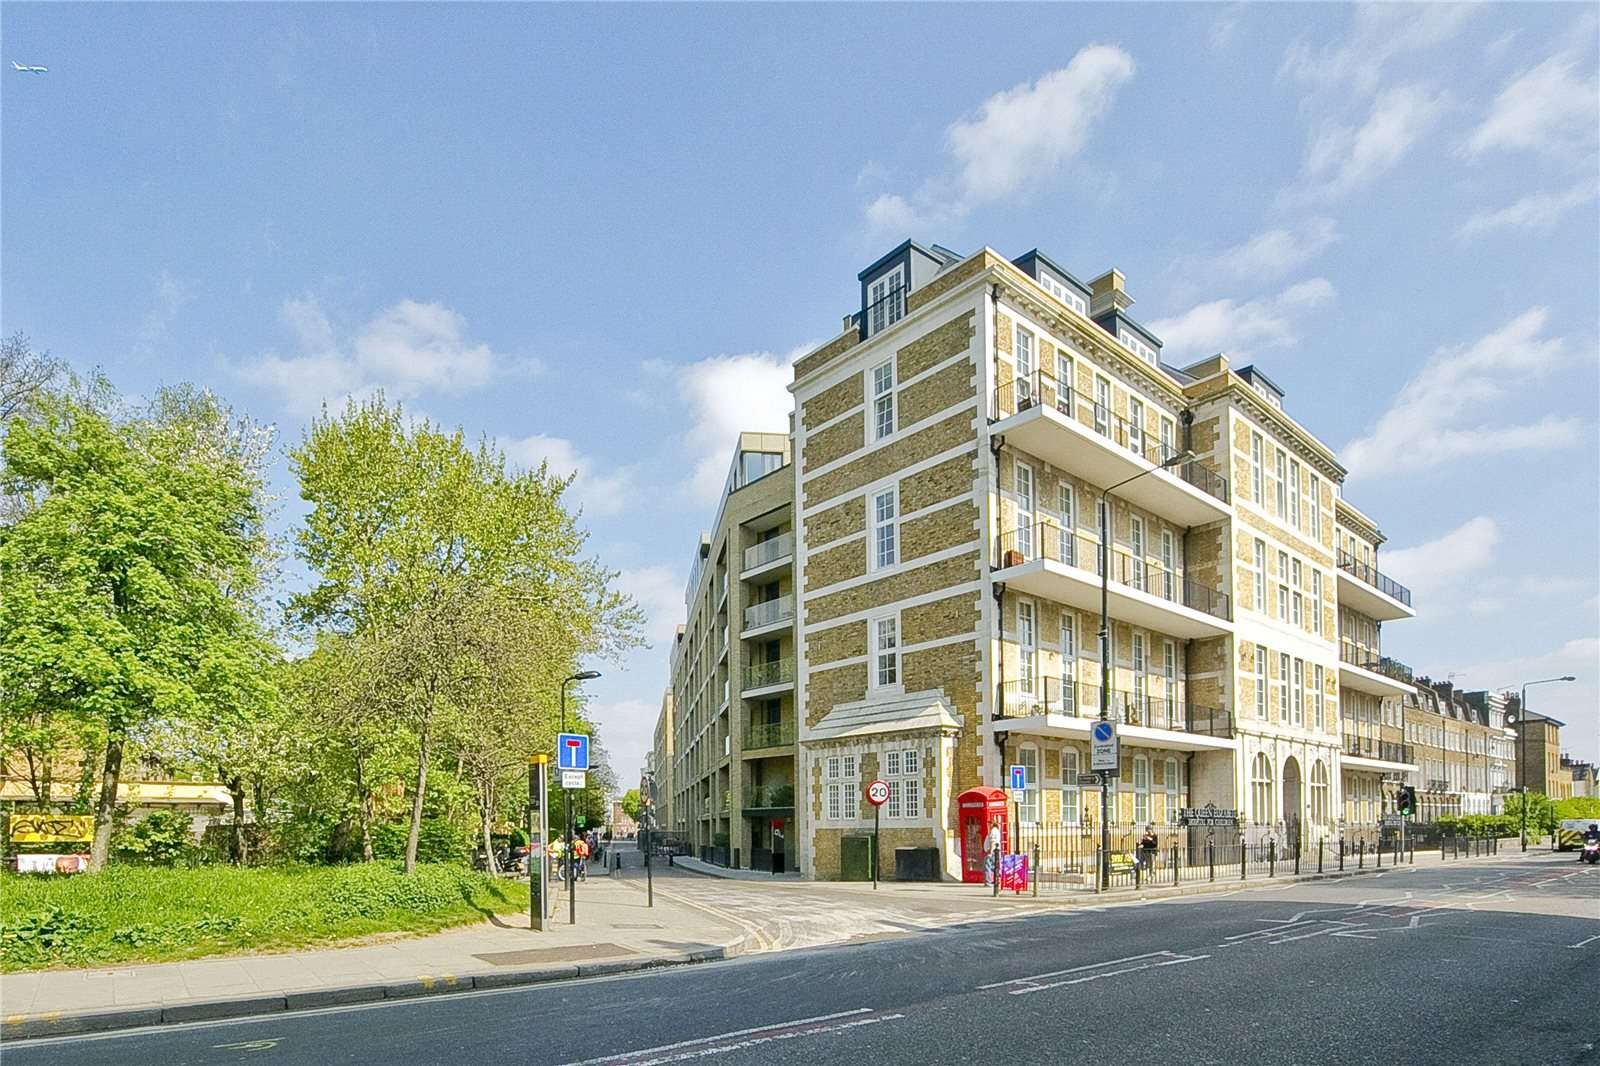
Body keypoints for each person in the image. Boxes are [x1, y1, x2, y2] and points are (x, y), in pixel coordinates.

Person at [983, 818, 1002, 886]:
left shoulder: (993, 831)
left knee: (988, 866)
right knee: (994, 866)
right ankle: (996, 880)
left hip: (992, 851)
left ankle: (989, 881)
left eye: (989, 824)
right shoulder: (995, 830)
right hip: (995, 851)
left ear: (992, 824)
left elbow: (992, 842)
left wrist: (990, 852)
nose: (987, 825)